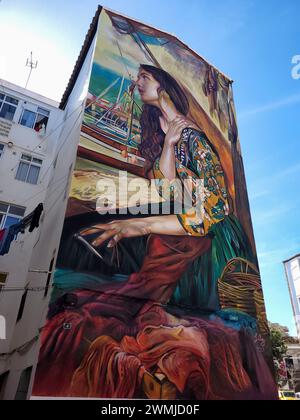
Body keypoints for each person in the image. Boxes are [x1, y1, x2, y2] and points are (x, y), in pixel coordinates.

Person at [33, 65, 276, 400]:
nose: (136, 83)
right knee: (94, 227)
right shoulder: (168, 130)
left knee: (114, 234)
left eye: (142, 77)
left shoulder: (194, 136)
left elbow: (214, 210)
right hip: (181, 221)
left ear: (163, 84)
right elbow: (167, 191)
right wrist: (168, 145)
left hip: (211, 237)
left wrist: (142, 224)